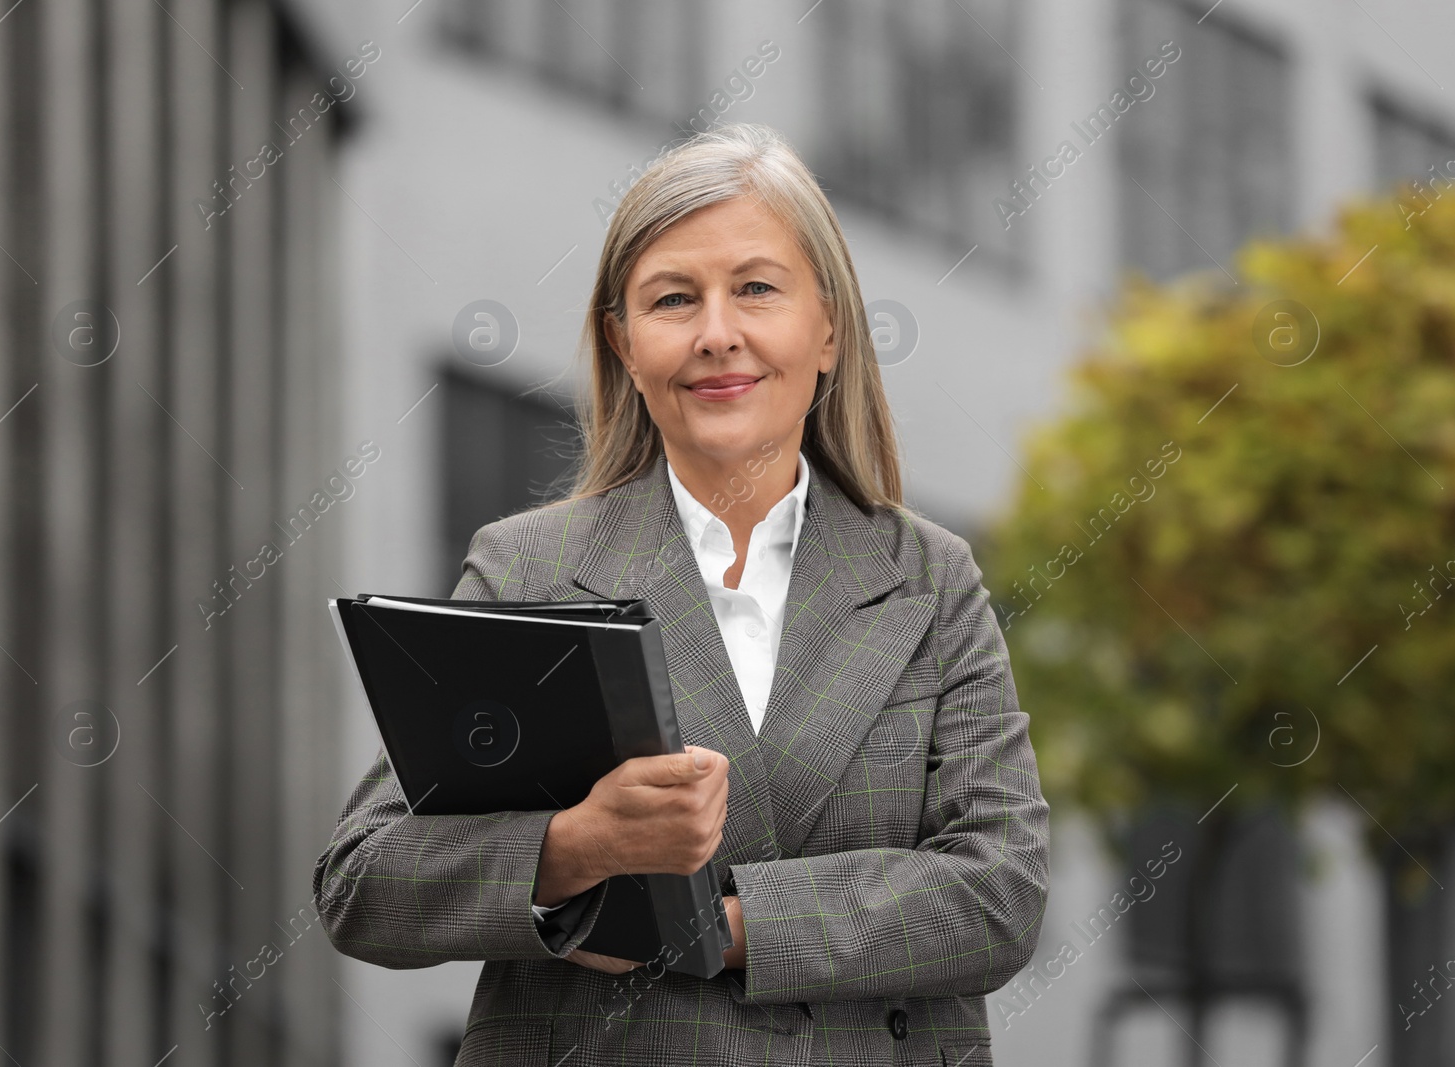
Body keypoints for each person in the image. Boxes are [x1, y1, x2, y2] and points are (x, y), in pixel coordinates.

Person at [313, 122, 1049, 1067]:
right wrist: (578, 844)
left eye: (755, 288)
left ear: (827, 330)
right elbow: (363, 884)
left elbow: (1000, 892)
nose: (716, 333)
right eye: (672, 299)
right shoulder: (528, 568)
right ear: (624, 345)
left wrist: (723, 929)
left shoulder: (931, 580)